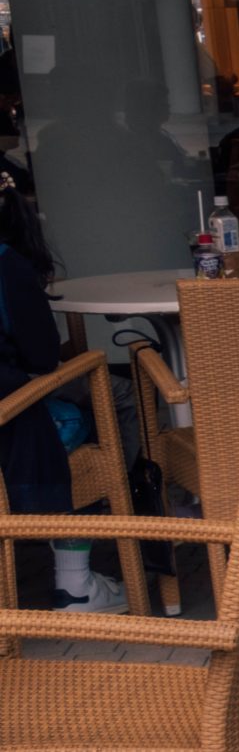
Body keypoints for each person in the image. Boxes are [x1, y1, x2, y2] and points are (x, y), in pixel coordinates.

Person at [0, 172, 122, 610]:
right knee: (109, 398)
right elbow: (41, 358)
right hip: (10, 427)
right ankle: (76, 582)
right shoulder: (5, 263)